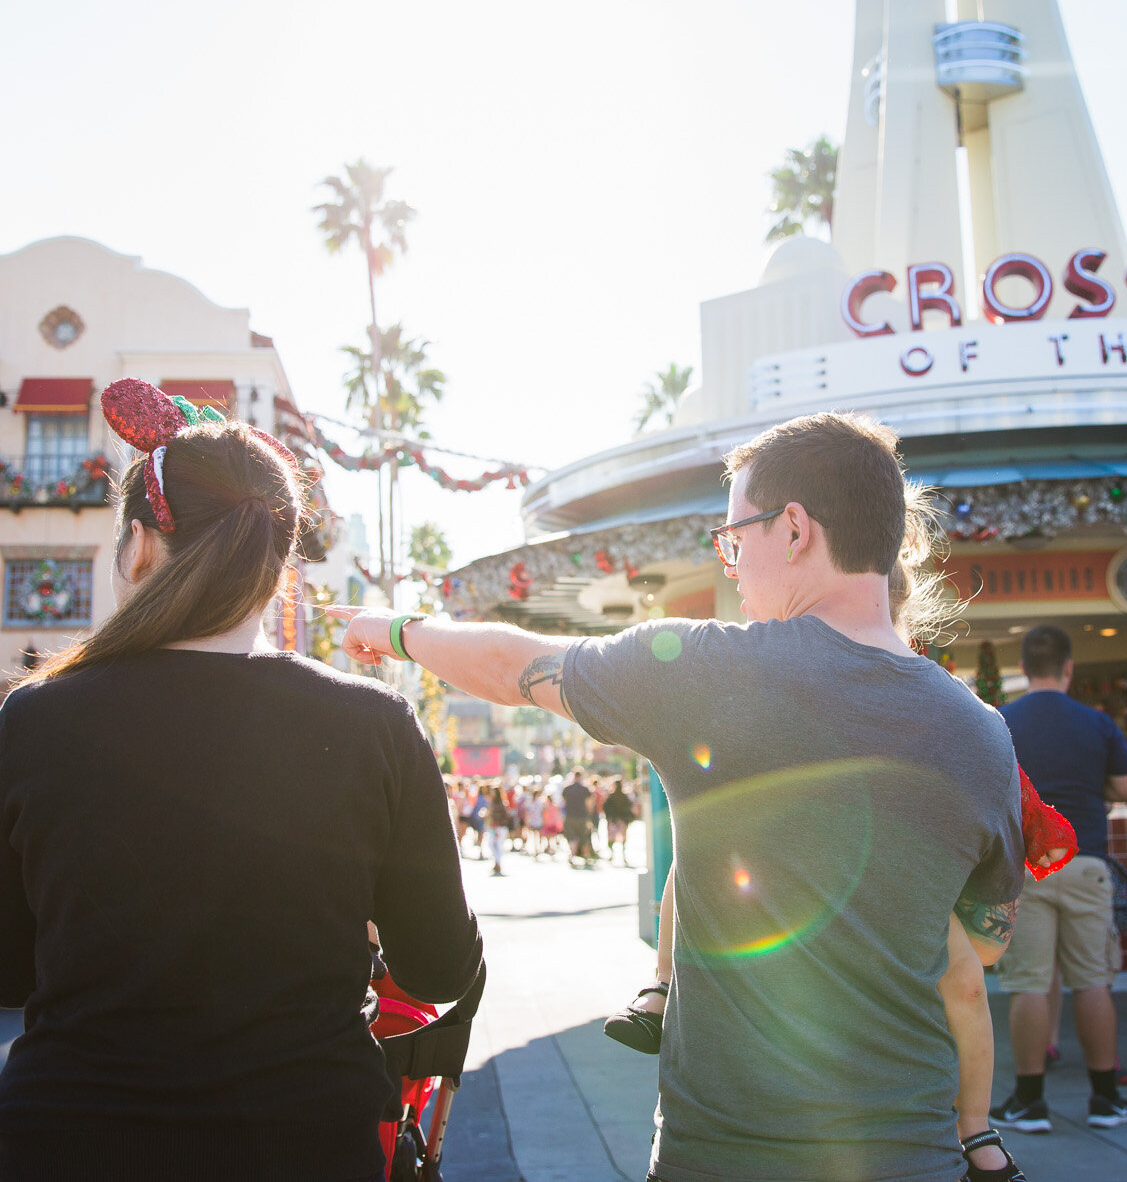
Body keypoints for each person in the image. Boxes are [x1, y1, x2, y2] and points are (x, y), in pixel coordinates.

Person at [335, 410, 1024, 1182]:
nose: (729, 561)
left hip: (725, 1155)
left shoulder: (704, 671)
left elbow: (509, 664)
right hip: (912, 1155)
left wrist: (392, 630)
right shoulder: (982, 733)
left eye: (735, 536)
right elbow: (987, 936)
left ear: (793, 529)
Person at [0, 379, 480, 1180]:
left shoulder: (32, 719)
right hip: (303, 1139)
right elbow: (443, 963)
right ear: (279, 569)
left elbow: (0, 972)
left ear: (138, 544)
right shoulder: (373, 725)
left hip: (74, 1140)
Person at [990, 625, 1127, 1134]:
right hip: (1086, 864)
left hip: (1027, 867)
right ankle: (1105, 1099)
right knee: (1092, 981)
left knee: (1029, 985)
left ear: (1026, 668)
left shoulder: (1002, 722)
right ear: (1069, 667)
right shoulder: (1095, 723)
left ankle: (1029, 1102)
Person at [562, 768, 595, 867]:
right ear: (581, 777)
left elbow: (563, 802)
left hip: (570, 815)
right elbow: (589, 804)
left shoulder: (567, 789)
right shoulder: (585, 789)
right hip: (582, 816)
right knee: (583, 836)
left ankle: (572, 855)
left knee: (571, 837)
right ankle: (585, 855)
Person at [603, 778, 634, 864]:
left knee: (611, 838)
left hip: (613, 820)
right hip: (622, 820)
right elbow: (629, 806)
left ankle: (612, 854)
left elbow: (605, 807)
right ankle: (623, 856)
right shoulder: (624, 796)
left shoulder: (611, 796)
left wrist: (609, 817)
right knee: (623, 839)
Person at [485, 784, 511, 876]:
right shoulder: (492, 802)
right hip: (494, 827)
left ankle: (498, 863)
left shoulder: (500, 803)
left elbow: (504, 816)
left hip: (499, 827)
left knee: (498, 845)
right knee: (492, 844)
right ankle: (496, 863)